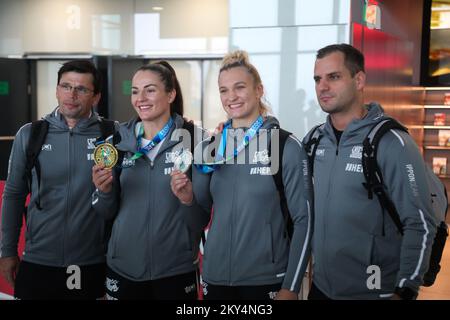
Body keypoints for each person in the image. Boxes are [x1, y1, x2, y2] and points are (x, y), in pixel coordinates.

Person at [171, 50, 313, 300]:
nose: (231, 97)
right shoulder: (209, 148)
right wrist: (186, 200)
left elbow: (305, 221)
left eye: (239, 87)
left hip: (267, 280)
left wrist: (290, 287)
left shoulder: (285, 146)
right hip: (215, 279)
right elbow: (197, 220)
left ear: (259, 90)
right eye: (224, 90)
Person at [304, 43, 437, 300]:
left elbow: (420, 223)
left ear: (359, 80)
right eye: (318, 79)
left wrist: (405, 290)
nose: (322, 86)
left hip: (374, 292)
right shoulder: (314, 141)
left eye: (334, 77)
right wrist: (229, 135)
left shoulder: (392, 142)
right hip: (321, 289)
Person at [91, 61, 209, 300]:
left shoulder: (198, 142)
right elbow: (105, 213)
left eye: (150, 90)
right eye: (135, 91)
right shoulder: (115, 144)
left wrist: (187, 200)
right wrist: (103, 191)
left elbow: (201, 220)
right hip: (123, 268)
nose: (140, 98)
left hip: (175, 271)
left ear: (171, 94)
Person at [0, 60, 110, 299]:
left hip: (92, 261)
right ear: (56, 90)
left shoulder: (112, 135)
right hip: (38, 259)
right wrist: (7, 252)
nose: (71, 94)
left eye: (81, 89)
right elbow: (14, 195)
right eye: (65, 86)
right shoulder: (30, 134)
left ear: (96, 97)